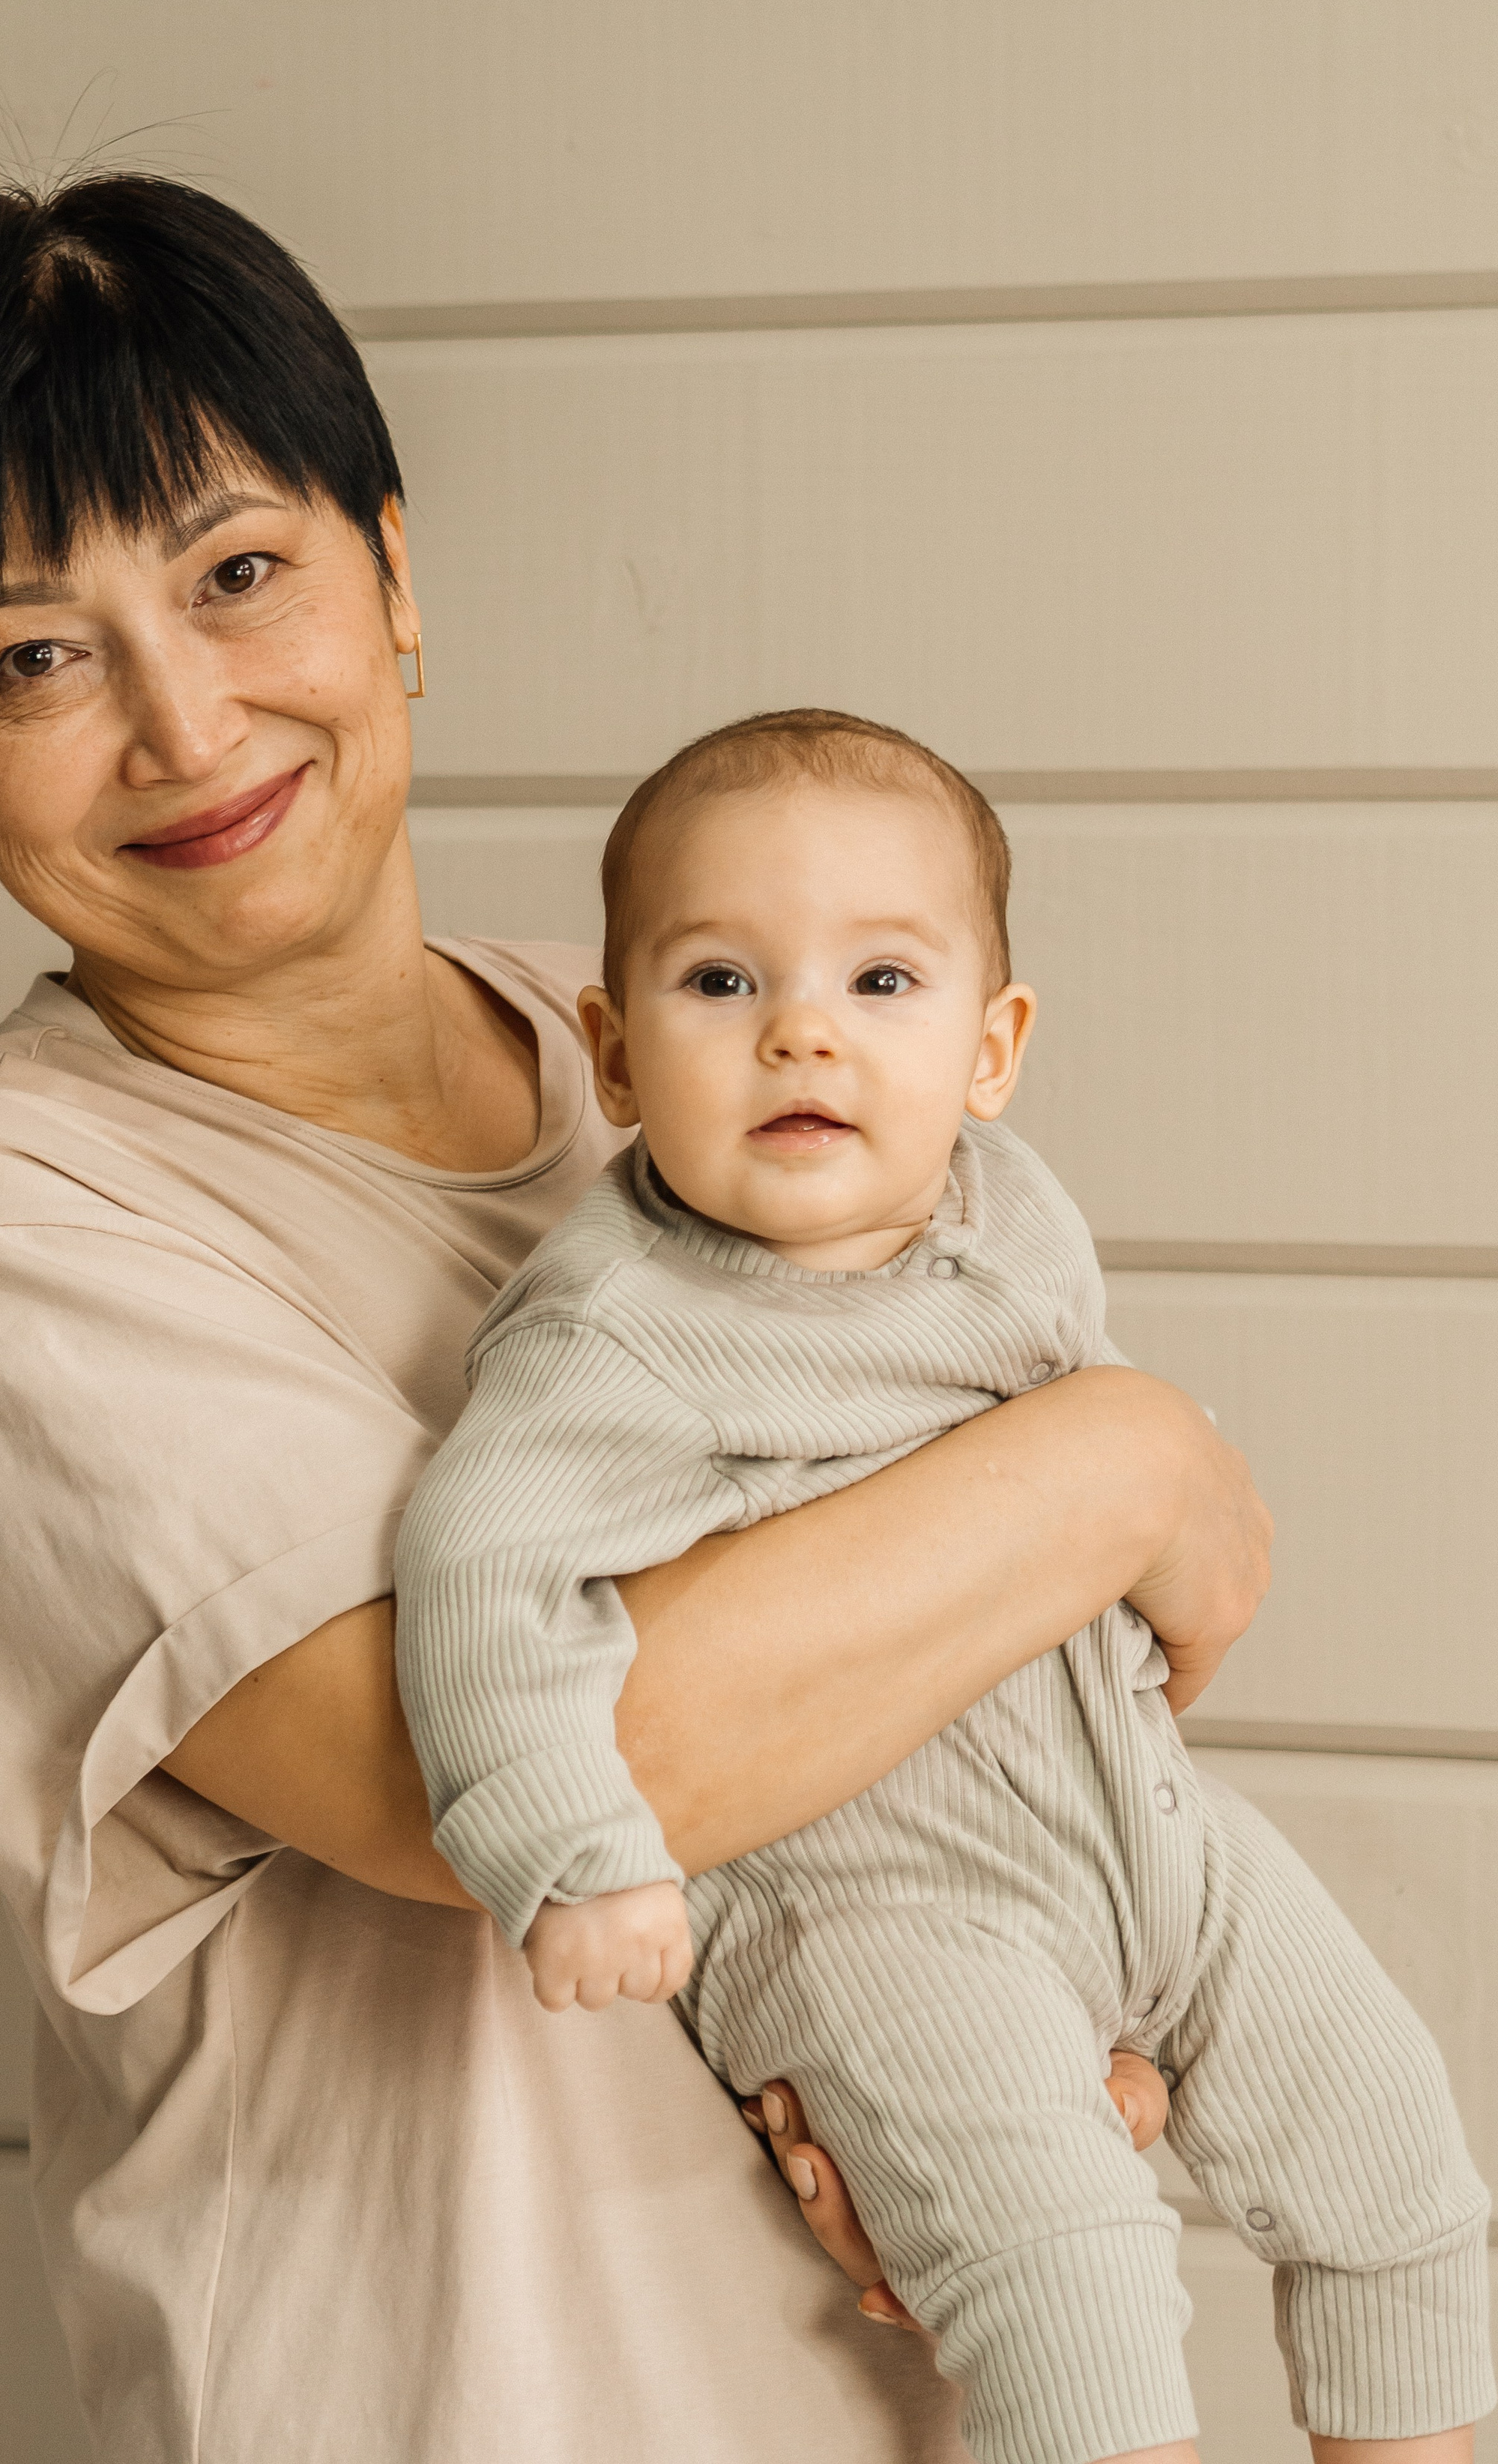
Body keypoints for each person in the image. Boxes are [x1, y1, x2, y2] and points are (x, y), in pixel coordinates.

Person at [0, 174, 1270, 2463]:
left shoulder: (667, 1068)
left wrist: (1042, 2053)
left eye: (238, 572)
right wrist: (1119, 1460)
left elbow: (971, 1721)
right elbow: (472, 1770)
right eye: (32, 658)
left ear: (397, 576)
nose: (183, 720)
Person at [394, 708, 1494, 2464]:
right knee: (1069, 2288)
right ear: (608, 1054)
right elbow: (477, 1572)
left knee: (1396, 2164)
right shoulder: (622, 1332)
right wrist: (571, 1854)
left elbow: (1080, 1439)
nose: (801, 1030)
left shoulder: (1008, 1210)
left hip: (1147, 1834)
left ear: (992, 1048)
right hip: (876, 1907)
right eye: (719, 984)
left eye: (881, 984)